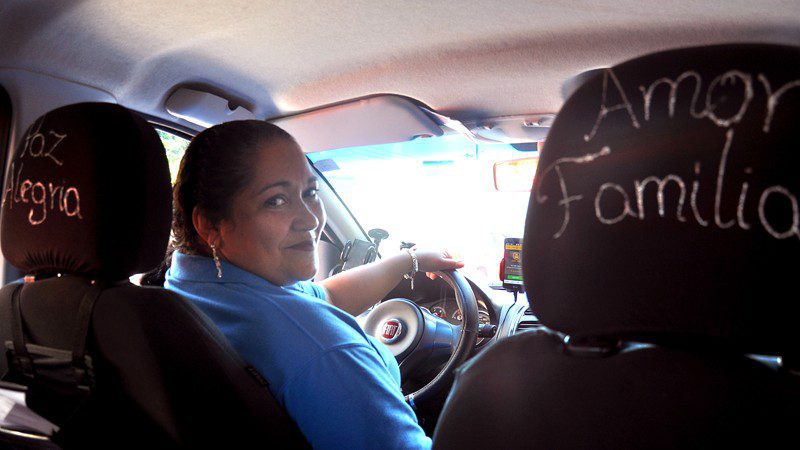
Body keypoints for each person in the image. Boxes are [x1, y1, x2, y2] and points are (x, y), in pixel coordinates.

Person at [145, 120, 463, 449]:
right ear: (210, 225)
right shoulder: (322, 349)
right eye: (276, 201)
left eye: (310, 193)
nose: (311, 219)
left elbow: (326, 295)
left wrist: (410, 260)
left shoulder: (192, 283)